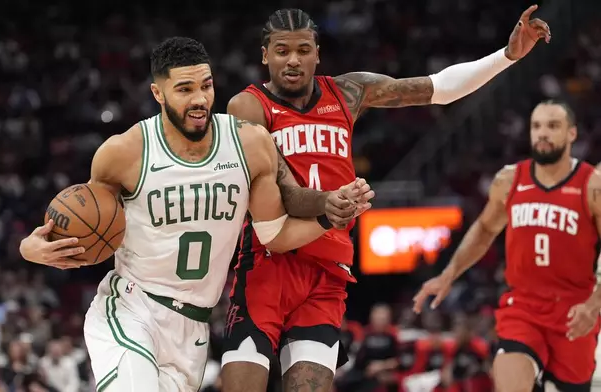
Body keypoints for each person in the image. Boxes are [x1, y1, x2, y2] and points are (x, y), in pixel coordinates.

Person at [221, 6, 551, 391]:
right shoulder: (246, 107)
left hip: (327, 269)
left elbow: (438, 88)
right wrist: (330, 203)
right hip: (269, 260)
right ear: (265, 55)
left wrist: (506, 56)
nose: (292, 60)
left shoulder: (347, 91)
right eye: (281, 51)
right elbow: (284, 195)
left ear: (317, 52)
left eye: (302, 49)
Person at [18, 37, 373, 392]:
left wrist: (329, 217)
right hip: (131, 308)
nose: (200, 99)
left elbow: (275, 237)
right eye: (184, 89)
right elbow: (83, 222)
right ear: (158, 93)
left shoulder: (249, 145)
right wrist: (31, 249)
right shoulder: (124, 152)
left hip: (193, 329)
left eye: (206, 85)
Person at [413, 100, 601, 391]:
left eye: (553, 126)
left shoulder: (592, 186)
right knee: (510, 375)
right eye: (536, 126)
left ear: (572, 134)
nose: (542, 133)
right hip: (523, 307)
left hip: (575, 312)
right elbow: (486, 228)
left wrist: (593, 305)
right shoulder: (509, 180)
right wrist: (449, 274)